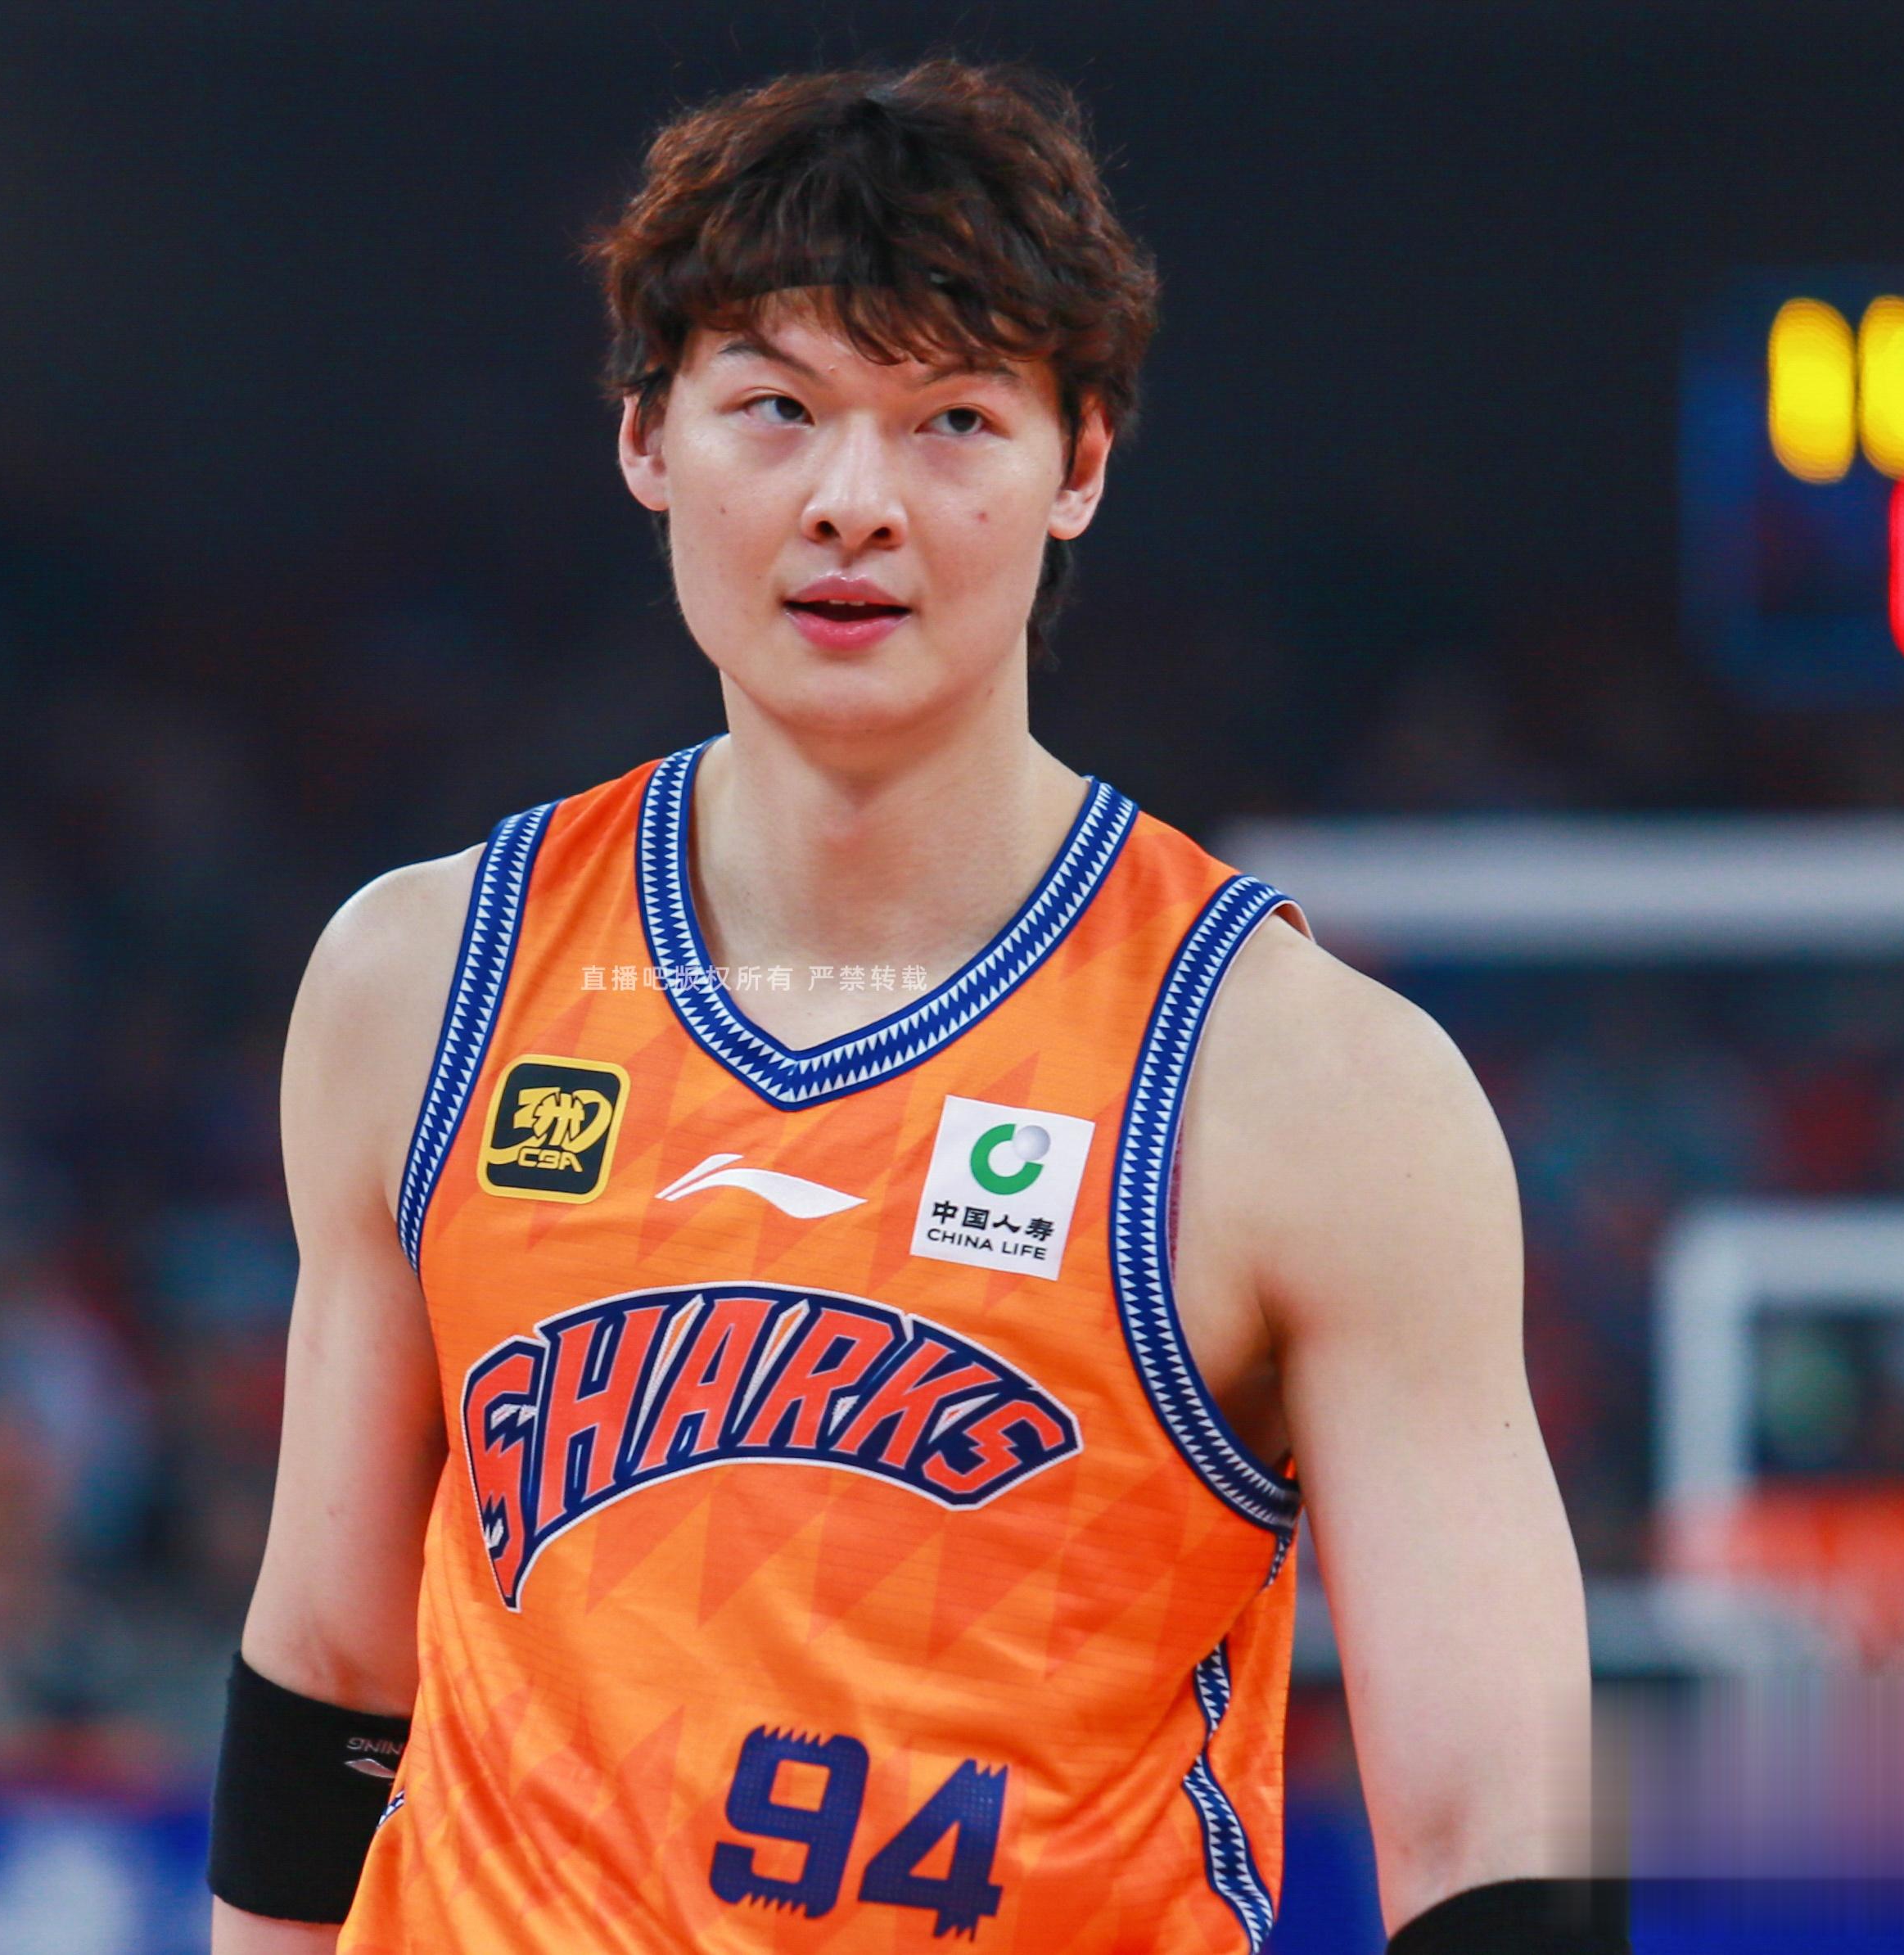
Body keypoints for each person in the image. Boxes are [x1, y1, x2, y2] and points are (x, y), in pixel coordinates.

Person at [211, 56, 1616, 1955]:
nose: (853, 504)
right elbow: (326, 1676)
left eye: (953, 419)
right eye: (776, 409)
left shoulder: (1307, 1087)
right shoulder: (422, 984)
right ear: (646, 437)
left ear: (1080, 464)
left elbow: (1494, 1837)